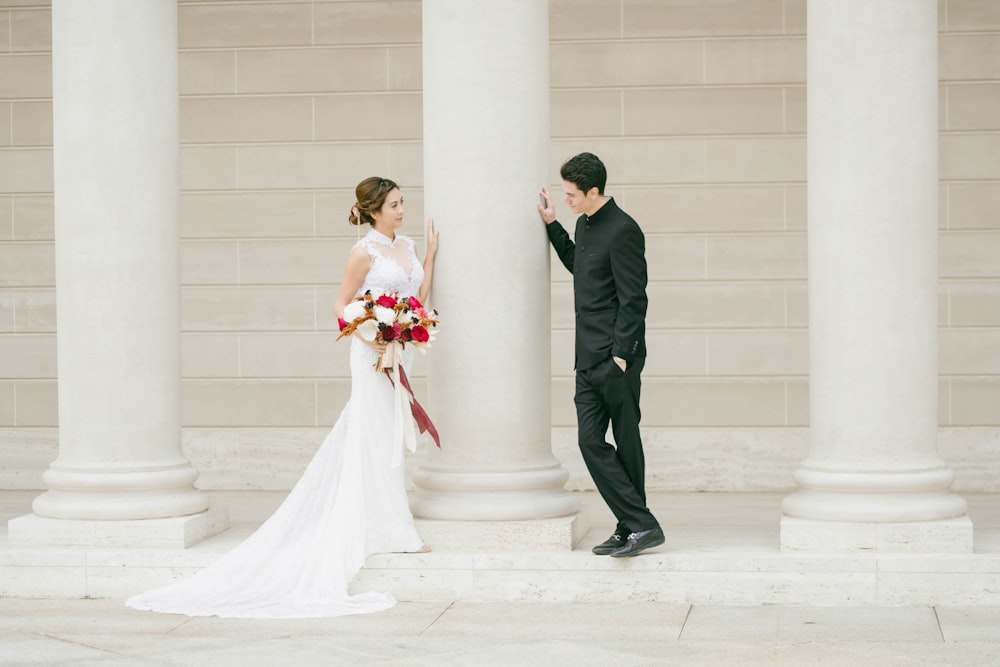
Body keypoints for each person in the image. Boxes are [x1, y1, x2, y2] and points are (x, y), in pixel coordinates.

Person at [126, 176, 439, 618]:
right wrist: (369, 336)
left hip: (400, 352)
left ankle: (389, 527)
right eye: (393, 205)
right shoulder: (361, 253)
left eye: (402, 202)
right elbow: (341, 305)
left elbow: (417, 300)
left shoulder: (407, 247)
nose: (401, 210)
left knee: (388, 435)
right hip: (371, 354)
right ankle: (384, 530)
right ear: (372, 211)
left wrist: (429, 256)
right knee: (372, 434)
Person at [538, 152, 664, 558]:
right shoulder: (582, 223)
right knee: (590, 442)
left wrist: (622, 357)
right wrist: (554, 224)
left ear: (594, 191)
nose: (568, 199)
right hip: (585, 356)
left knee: (626, 441)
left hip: (614, 358)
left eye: (572, 195)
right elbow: (581, 265)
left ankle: (631, 527)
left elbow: (634, 298)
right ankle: (640, 524)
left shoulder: (625, 229)